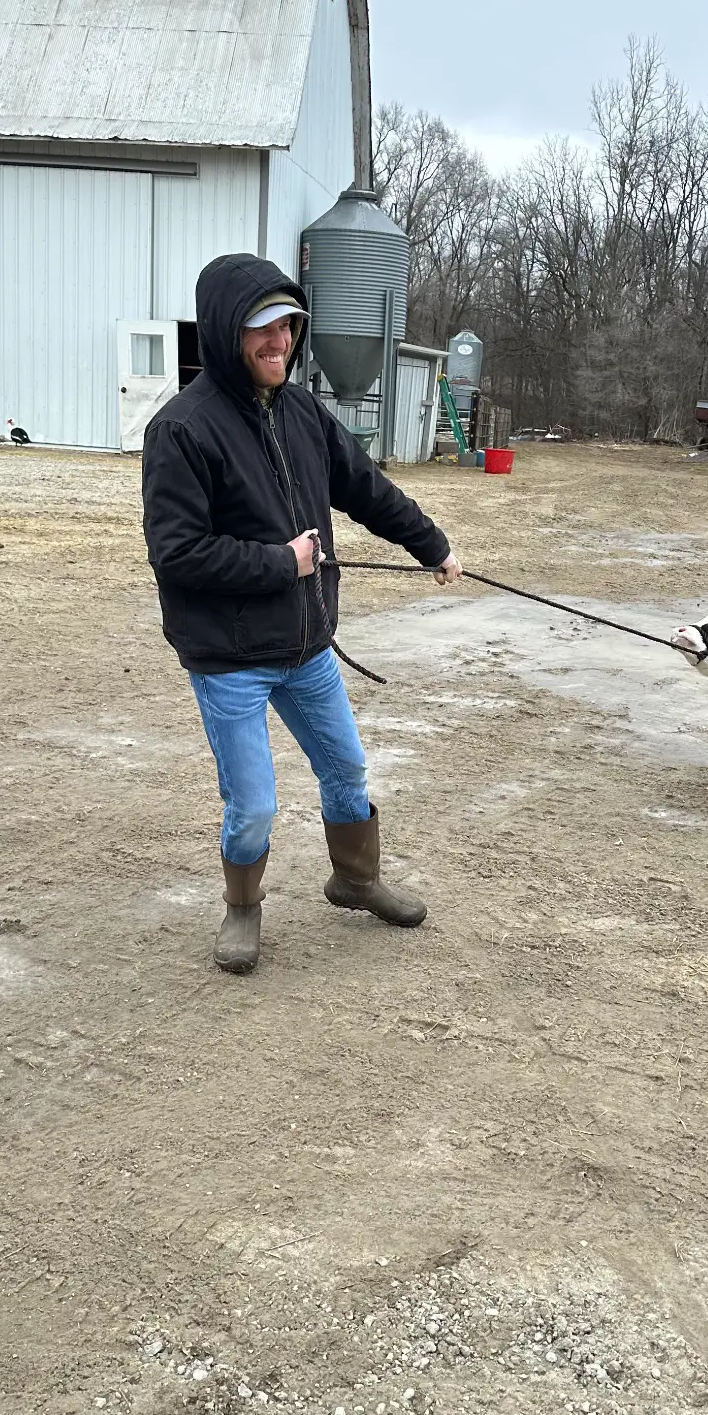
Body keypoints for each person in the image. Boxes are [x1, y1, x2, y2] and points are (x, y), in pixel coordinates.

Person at [142, 252, 461, 974]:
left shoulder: (302, 411)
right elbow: (178, 554)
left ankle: (354, 881)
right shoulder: (182, 430)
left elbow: (366, 488)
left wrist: (430, 545)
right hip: (229, 659)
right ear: (228, 333)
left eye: (287, 326)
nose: (278, 341)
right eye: (261, 329)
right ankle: (243, 908)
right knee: (253, 806)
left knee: (347, 770)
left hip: (307, 646)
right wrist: (282, 563)